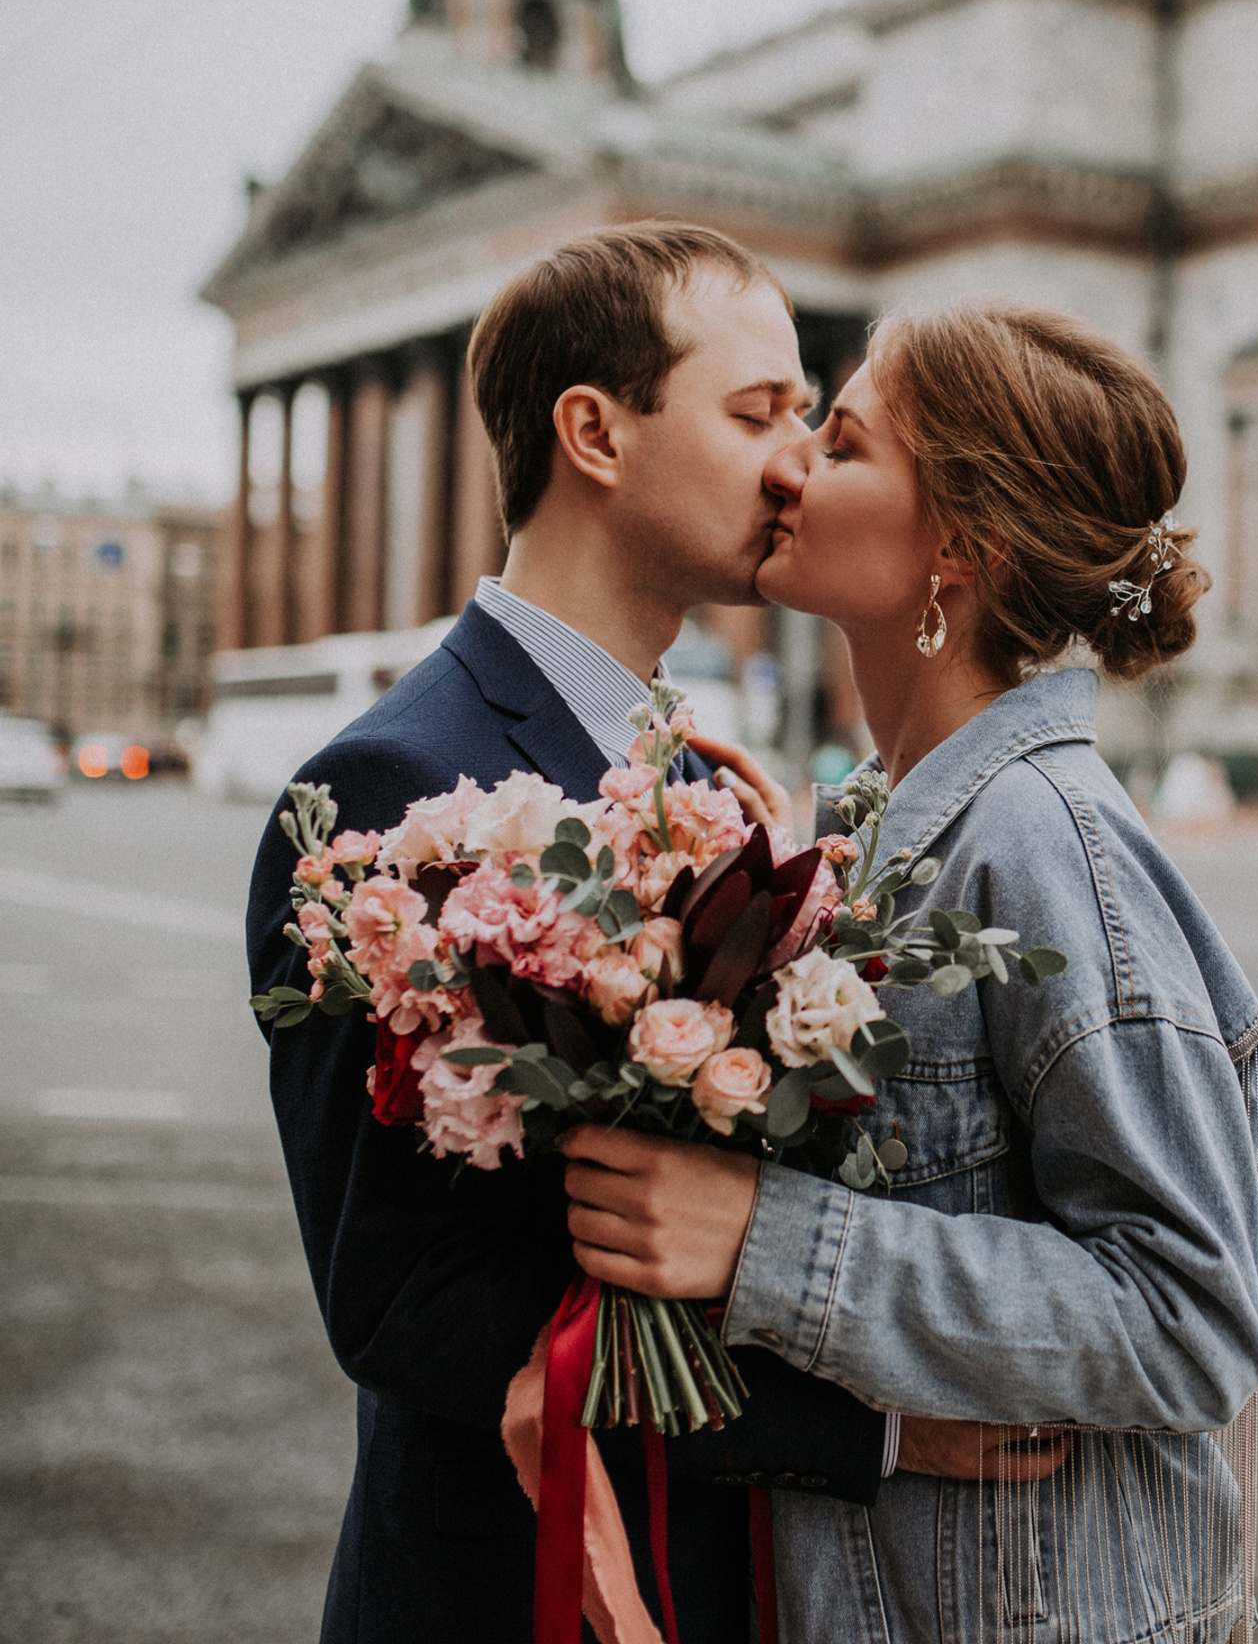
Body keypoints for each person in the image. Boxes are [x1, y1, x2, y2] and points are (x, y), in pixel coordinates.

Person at [245, 226, 1020, 1644]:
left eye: (805, 418)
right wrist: (867, 1428)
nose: (797, 463)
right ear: (594, 433)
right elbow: (404, 1297)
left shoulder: (707, 782)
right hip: (503, 1590)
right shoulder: (387, 789)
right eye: (757, 415)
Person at [559, 301, 1258, 1641]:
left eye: (841, 445)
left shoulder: (1046, 844)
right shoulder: (884, 829)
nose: (788, 469)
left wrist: (763, 1240)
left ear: (961, 545)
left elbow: (1191, 1318)